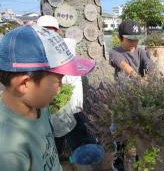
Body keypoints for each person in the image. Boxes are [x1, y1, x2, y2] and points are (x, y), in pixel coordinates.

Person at [0, 25, 95, 170]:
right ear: (25, 84)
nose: (61, 87)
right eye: (59, 81)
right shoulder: (8, 150)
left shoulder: (39, 106)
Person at [37, 15, 97, 157]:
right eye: (44, 31)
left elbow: (70, 78)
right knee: (54, 144)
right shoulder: (36, 53)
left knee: (80, 140)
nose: (49, 34)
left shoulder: (66, 48)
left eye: (52, 31)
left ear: (58, 32)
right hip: (48, 109)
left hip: (71, 107)